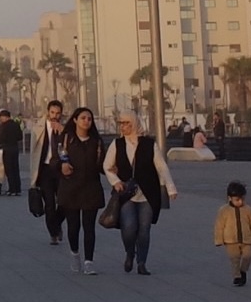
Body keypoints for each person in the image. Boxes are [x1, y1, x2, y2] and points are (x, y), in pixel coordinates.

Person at [102, 110, 177, 275]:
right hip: (127, 194)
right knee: (128, 228)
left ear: (134, 123)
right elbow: (107, 166)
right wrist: (116, 182)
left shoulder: (149, 144)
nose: (123, 126)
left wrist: (170, 187)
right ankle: (130, 252)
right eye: (121, 123)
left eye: (127, 123)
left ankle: (142, 262)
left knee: (144, 229)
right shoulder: (117, 144)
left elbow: (161, 166)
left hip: (148, 194)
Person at [56, 106, 106, 275]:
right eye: (83, 118)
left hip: (91, 187)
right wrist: (62, 166)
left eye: (89, 119)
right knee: (73, 225)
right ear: (75, 120)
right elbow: (56, 160)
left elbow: (103, 165)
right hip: (71, 188)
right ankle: (75, 253)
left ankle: (89, 261)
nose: (86, 121)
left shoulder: (97, 142)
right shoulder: (66, 139)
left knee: (89, 226)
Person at [214, 180, 251, 286]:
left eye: (242, 199)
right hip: (231, 240)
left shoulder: (248, 210)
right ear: (229, 198)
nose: (240, 202)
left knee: (248, 256)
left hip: (246, 239)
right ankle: (237, 276)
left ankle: (243, 270)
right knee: (234, 258)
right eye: (237, 199)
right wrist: (218, 239)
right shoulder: (224, 210)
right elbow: (219, 226)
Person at [33, 100, 68, 243]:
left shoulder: (65, 129)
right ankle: (53, 233)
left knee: (64, 202)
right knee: (49, 203)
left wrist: (63, 131)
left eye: (58, 113)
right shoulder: (39, 128)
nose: (55, 116)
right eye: (52, 112)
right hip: (45, 170)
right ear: (48, 112)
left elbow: (71, 144)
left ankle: (57, 223)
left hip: (61, 169)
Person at [0, 109, 24, 195]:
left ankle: (12, 189)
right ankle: (18, 189)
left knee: (9, 170)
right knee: (15, 169)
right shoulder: (16, 125)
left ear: (4, 117)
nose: (0, 119)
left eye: (1, 117)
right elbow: (20, 137)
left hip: (6, 149)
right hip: (15, 148)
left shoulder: (3, 126)